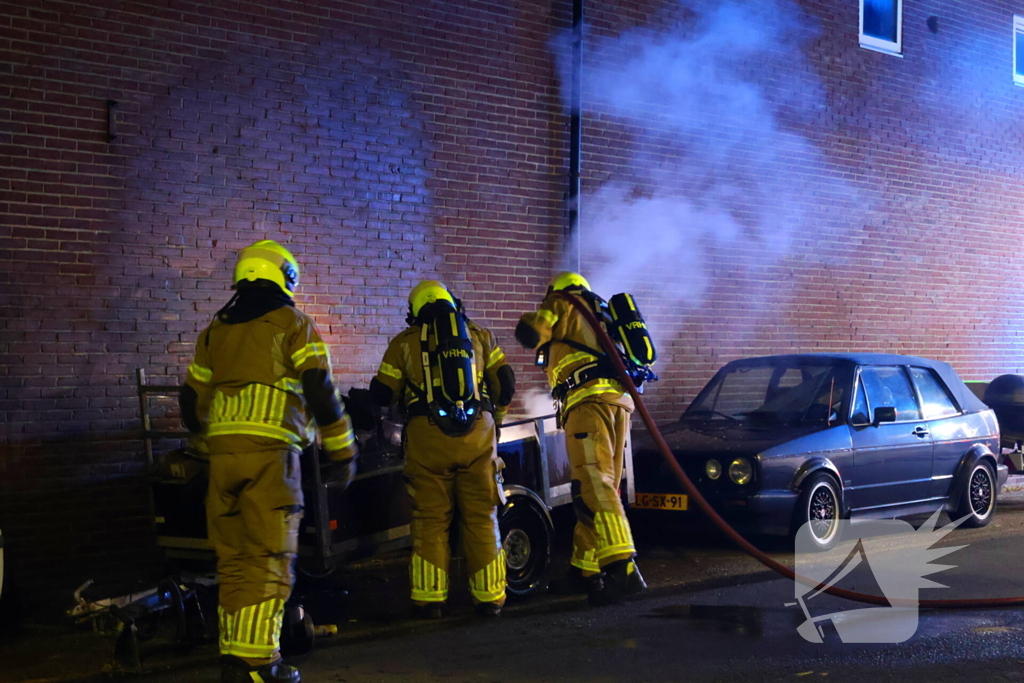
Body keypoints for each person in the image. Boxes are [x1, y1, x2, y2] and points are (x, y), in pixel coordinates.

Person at [179, 240, 358, 683]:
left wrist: (212, 441)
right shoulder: (293, 324)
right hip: (270, 460)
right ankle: (259, 666)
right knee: (269, 559)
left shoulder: (215, 331)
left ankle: (234, 658)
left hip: (223, 462)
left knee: (235, 561)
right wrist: (343, 450)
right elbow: (320, 391)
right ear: (284, 276)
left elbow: (190, 402)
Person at [368, 280, 515, 619]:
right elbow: (505, 385)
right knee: (481, 516)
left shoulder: (405, 342)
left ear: (415, 311)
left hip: (427, 438)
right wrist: (496, 423)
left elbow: (382, 394)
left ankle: (430, 600)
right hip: (478, 437)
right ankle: (490, 598)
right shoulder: (479, 335)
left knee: (431, 520)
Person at [515, 271, 645, 605]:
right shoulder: (601, 314)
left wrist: (531, 322)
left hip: (588, 404)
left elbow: (533, 331)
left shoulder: (561, 301)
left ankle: (623, 567)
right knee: (596, 489)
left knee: (594, 483)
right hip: (619, 404)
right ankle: (586, 571)